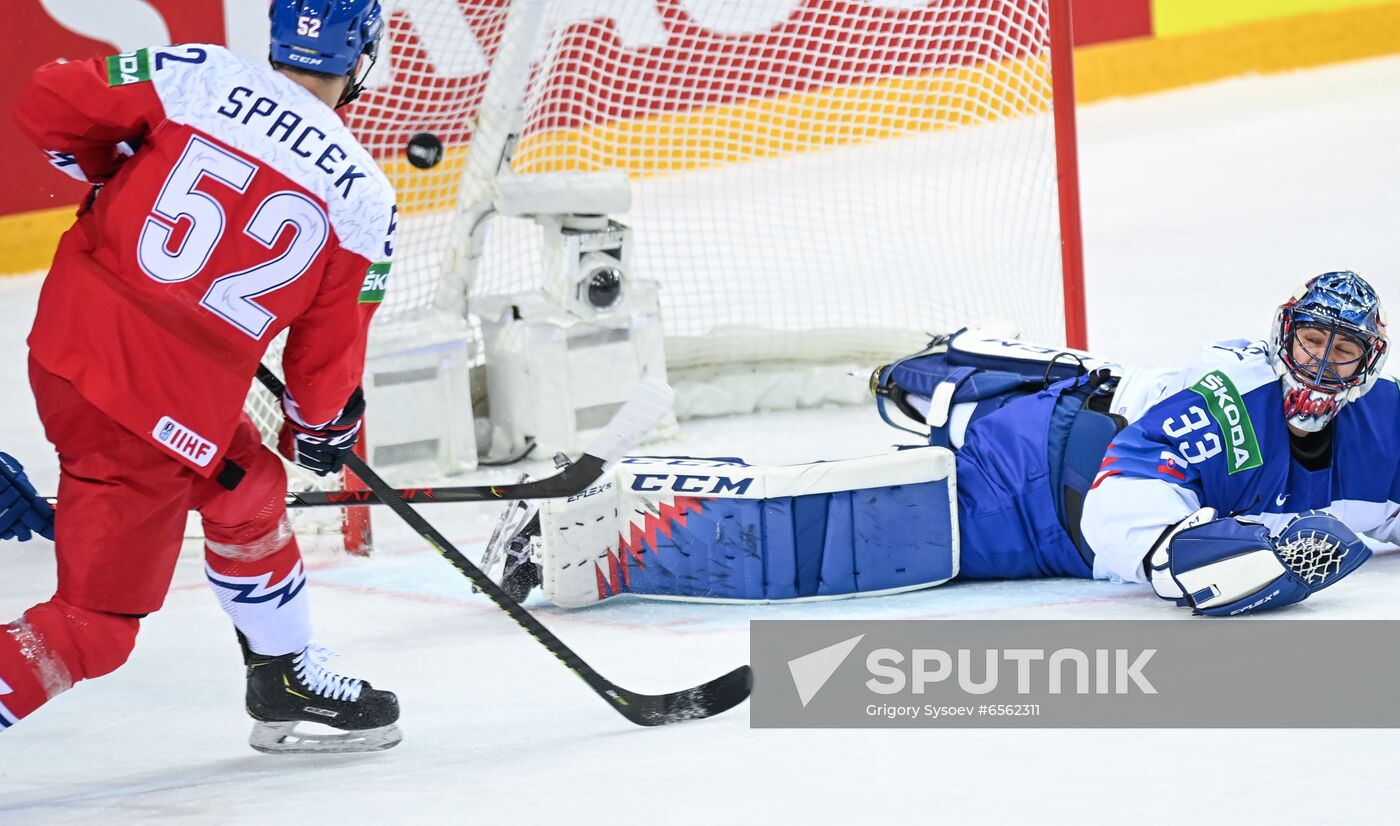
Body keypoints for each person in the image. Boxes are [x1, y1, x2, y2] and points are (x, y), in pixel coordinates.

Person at [481, 271, 1387, 617]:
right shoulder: (1232, 401)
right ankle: (566, 520)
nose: (1323, 360)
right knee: (822, 540)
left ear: (1368, 362)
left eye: (1343, 349)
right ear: (1284, 332)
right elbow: (1125, 491)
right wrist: (1180, 550)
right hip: (1032, 488)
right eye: (1313, 338)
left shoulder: (1380, 420)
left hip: (1069, 437)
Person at [0, 1, 401, 753]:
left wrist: (110, 171)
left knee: (245, 482)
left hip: (64, 346)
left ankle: (283, 675)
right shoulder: (364, 200)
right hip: (148, 417)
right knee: (96, 628)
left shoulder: (203, 76)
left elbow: (47, 100)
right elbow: (325, 364)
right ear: (363, 57)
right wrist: (321, 429)